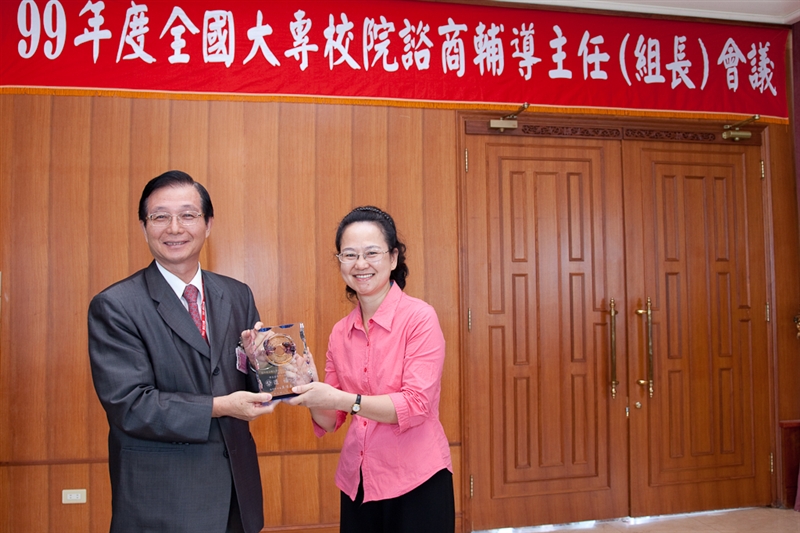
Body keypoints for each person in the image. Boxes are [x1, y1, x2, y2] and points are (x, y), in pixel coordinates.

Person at [88, 170, 276, 533]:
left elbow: (250, 381)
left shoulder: (237, 294)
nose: (174, 228)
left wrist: (268, 366)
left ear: (208, 224)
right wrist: (220, 406)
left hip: (236, 497)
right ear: (144, 228)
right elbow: (131, 405)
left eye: (188, 215)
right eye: (160, 216)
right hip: (163, 502)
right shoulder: (116, 305)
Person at [286, 206, 455, 533]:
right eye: (349, 255)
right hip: (358, 481)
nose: (360, 264)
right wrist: (306, 385)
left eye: (371, 253)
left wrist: (342, 399)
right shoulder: (340, 332)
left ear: (393, 258)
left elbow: (415, 405)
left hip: (417, 480)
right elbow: (329, 419)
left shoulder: (419, 318)